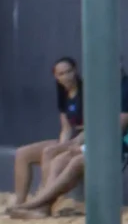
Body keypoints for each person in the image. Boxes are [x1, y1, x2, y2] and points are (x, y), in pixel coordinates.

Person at [8, 68, 128, 218]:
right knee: (59, 159)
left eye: (68, 71)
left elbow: (115, 131)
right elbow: (91, 128)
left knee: (76, 160)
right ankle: (42, 207)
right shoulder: (103, 90)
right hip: (105, 144)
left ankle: (35, 203)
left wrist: (82, 146)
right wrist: (75, 144)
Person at [11, 56, 85, 210]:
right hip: (71, 138)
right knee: (22, 153)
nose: (66, 77)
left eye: (69, 71)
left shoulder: (86, 91)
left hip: (83, 139)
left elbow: (92, 127)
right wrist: (63, 144)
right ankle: (19, 202)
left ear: (75, 70)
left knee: (50, 152)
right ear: (56, 77)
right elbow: (66, 128)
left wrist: (66, 146)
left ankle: (42, 200)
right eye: (61, 74)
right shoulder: (63, 94)